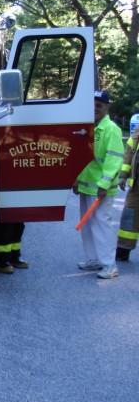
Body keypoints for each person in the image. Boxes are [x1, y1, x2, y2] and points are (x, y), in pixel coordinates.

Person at [73, 90, 124, 279]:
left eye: (99, 104)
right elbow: (83, 158)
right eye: (92, 104)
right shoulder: (88, 128)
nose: (95, 108)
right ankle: (93, 259)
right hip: (88, 186)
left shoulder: (110, 129)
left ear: (106, 107)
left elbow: (114, 159)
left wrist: (104, 185)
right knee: (88, 225)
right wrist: (77, 179)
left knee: (102, 225)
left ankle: (110, 265)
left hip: (101, 189)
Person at [115, 121, 139, 261]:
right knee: (129, 216)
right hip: (137, 186)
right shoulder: (138, 130)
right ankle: (123, 249)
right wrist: (123, 176)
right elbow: (128, 153)